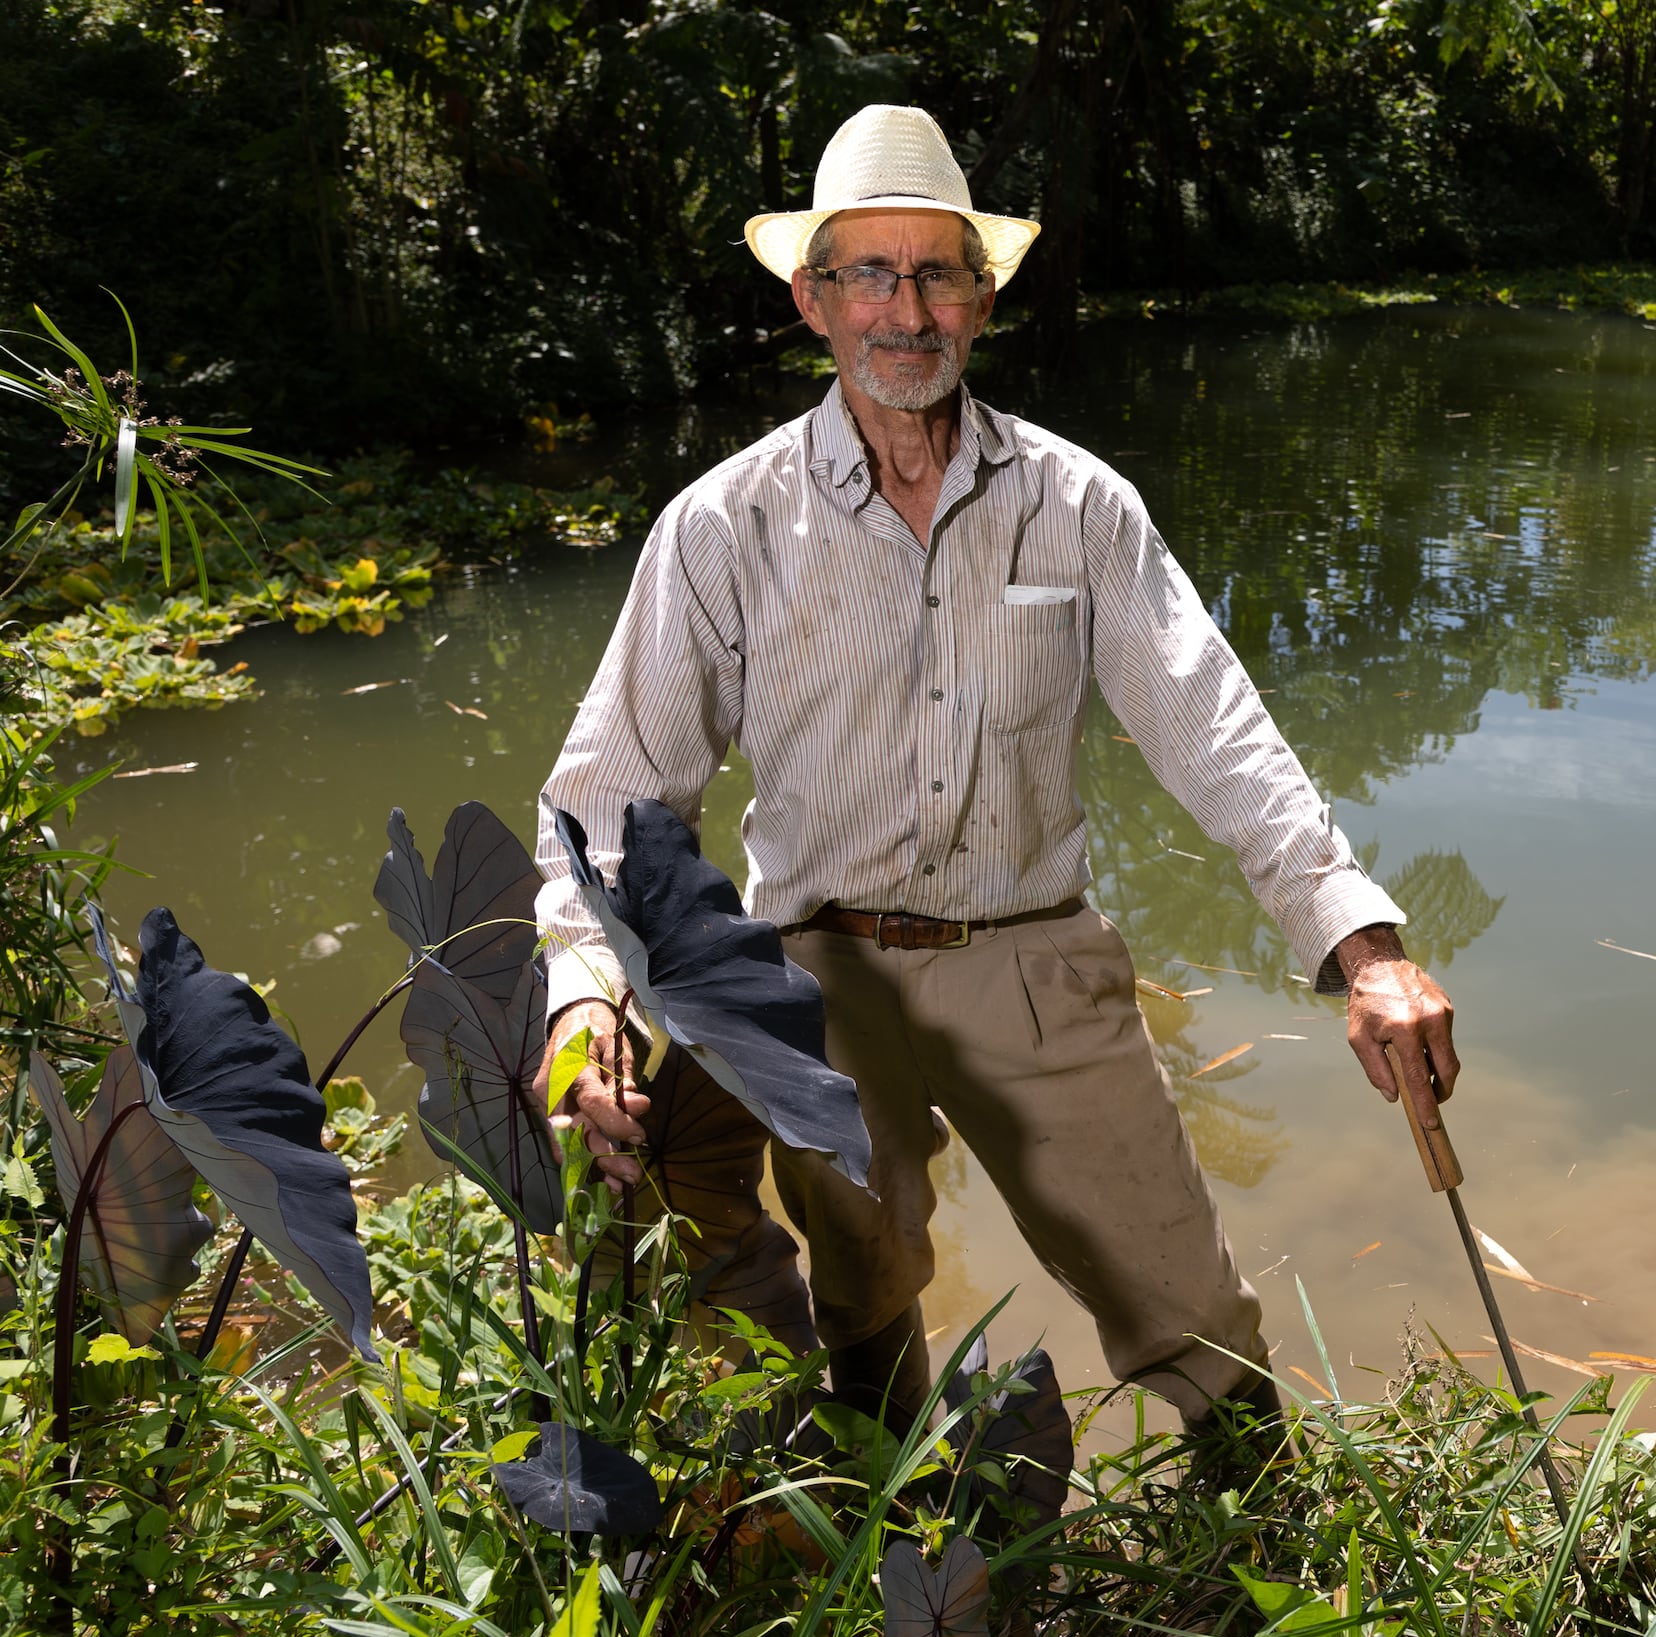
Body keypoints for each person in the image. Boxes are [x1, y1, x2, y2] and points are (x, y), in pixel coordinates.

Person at [532, 105, 1458, 1464]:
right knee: (863, 1289)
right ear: (811, 299)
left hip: (1033, 956)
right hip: (819, 976)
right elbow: (611, 801)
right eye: (869, 275)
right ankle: (896, 1545)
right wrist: (585, 994)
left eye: (937, 274)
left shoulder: (1077, 506)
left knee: (1186, 1292)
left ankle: (1262, 1536)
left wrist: (1362, 947)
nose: (904, 312)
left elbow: (1216, 732)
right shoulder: (723, 527)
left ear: (980, 298)